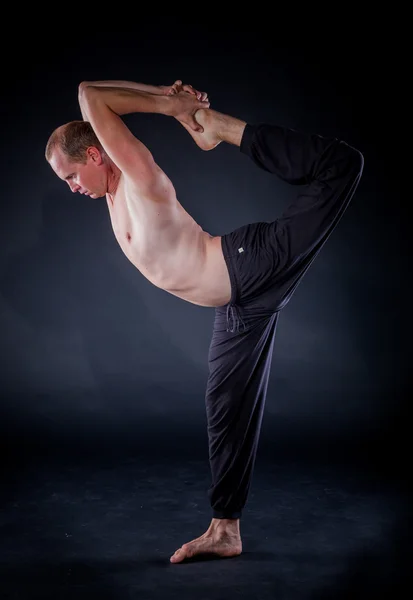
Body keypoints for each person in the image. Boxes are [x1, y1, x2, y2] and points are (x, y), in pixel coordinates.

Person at [45, 79, 364, 564]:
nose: (71, 188)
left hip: (249, 262)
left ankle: (226, 130)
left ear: (95, 154)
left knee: (341, 166)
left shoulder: (137, 177)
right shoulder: (112, 198)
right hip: (240, 305)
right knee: (226, 406)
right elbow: (95, 103)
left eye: (70, 175)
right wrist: (167, 94)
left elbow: (90, 93)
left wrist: (174, 108)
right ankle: (225, 530)